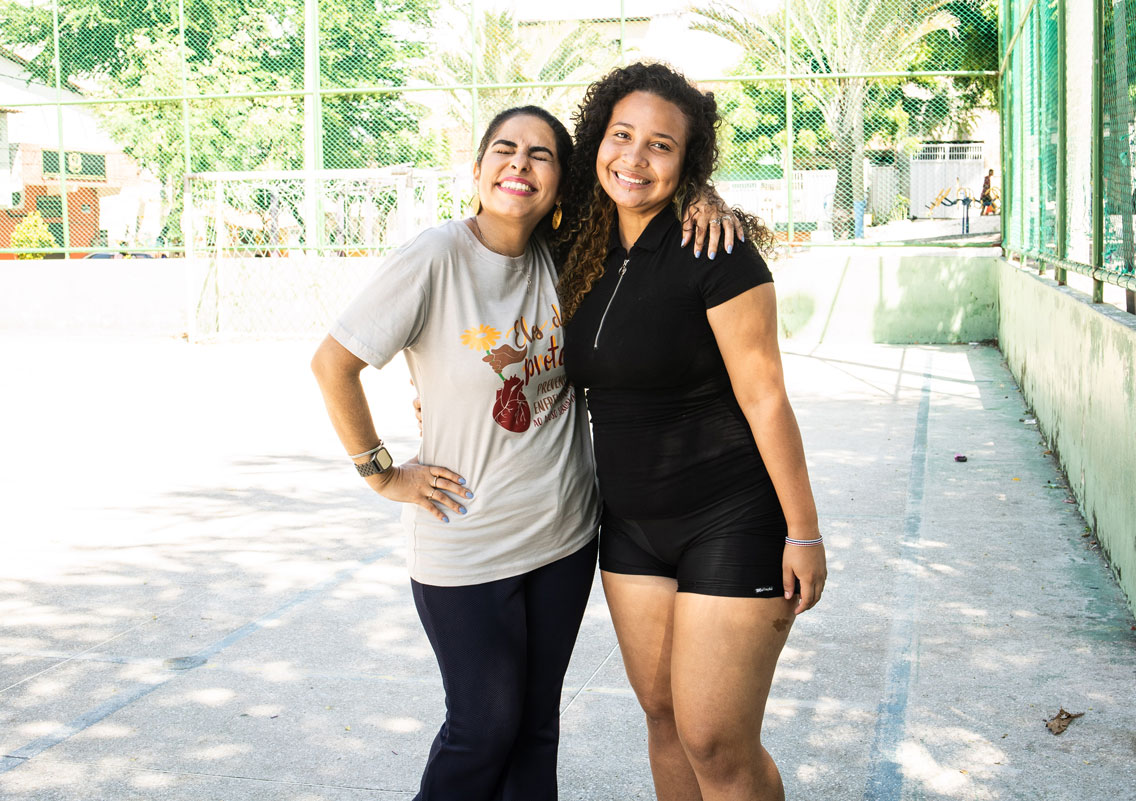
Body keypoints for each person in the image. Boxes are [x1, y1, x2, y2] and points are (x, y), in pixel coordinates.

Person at [312, 104, 739, 801]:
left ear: (562, 180)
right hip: (466, 541)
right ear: (477, 167)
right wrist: (382, 473)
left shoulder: (570, 259)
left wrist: (701, 195)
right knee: (483, 727)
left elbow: (639, 191)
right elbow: (333, 363)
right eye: (505, 149)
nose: (520, 163)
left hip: (563, 538)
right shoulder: (436, 256)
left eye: (541, 155)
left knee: (536, 728)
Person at [556, 63, 827, 801]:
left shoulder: (716, 249)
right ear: (597, 139)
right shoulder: (579, 244)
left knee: (716, 740)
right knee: (664, 717)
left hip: (730, 517)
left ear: (689, 162)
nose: (635, 158)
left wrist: (803, 532)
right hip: (631, 527)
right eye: (622, 136)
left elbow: (766, 396)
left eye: (661, 145)